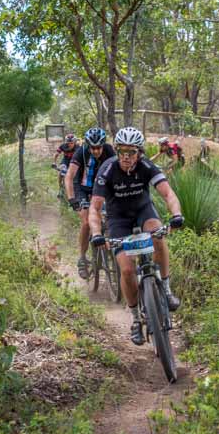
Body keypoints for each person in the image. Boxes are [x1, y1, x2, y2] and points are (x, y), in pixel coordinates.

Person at [89, 127, 184, 345]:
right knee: (128, 269)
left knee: (158, 236)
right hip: (118, 219)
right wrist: (96, 233)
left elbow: (168, 193)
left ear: (139, 152)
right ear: (117, 150)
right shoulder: (108, 169)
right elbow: (95, 208)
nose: (126, 157)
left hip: (143, 211)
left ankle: (167, 291)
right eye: (122, 151)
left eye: (131, 152)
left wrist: (177, 214)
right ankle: (134, 319)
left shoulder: (146, 166)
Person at [64, 127, 115, 279]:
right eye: (92, 148)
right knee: (87, 222)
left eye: (98, 147)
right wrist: (72, 199)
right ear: (88, 145)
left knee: (112, 217)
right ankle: (82, 258)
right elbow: (69, 176)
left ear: (103, 145)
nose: (96, 151)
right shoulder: (81, 152)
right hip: (83, 190)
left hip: (102, 189)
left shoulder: (109, 150)